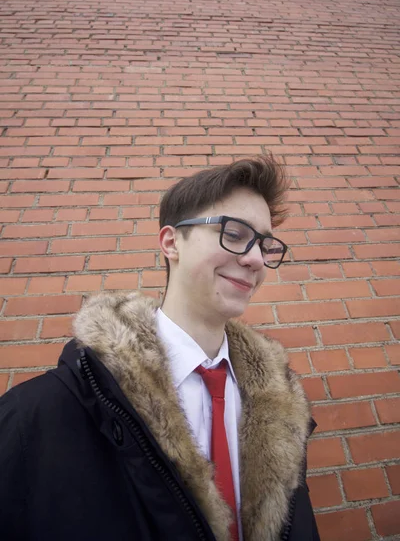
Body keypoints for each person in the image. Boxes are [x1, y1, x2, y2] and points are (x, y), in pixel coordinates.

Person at [0, 155, 320, 541]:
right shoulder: (33, 416)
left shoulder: (283, 408)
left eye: (265, 244)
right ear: (171, 242)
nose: (255, 259)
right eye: (234, 233)